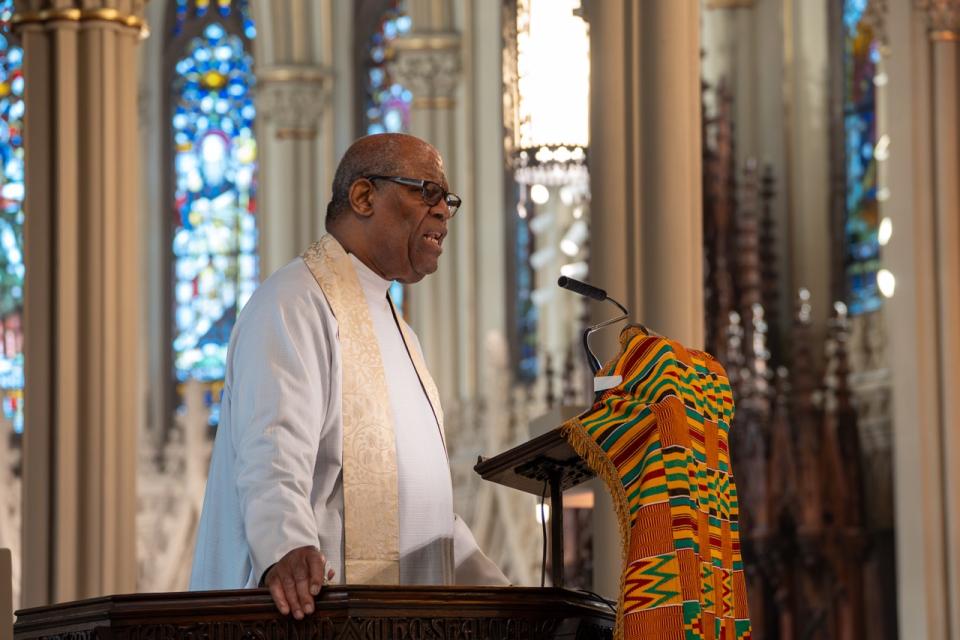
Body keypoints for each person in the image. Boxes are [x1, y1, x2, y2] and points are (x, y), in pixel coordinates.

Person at [190, 133, 508, 618]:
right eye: (427, 192)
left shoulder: (401, 333)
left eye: (448, 199)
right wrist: (285, 550)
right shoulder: (295, 301)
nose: (444, 210)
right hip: (314, 616)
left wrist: (504, 595)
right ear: (363, 197)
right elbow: (272, 451)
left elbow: (423, 506)